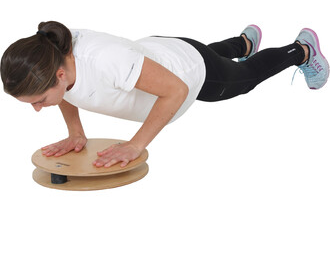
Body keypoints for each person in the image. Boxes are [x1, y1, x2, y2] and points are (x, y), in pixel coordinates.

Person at [1, 21, 328, 168]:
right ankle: (242, 43)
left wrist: (135, 144)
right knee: (211, 54)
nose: (39, 109)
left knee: (244, 77)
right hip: (157, 51)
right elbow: (65, 91)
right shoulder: (52, 52)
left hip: (189, 73)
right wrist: (75, 132)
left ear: (58, 75)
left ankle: (301, 50)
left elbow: (176, 90)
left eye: (39, 101)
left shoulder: (105, 61)